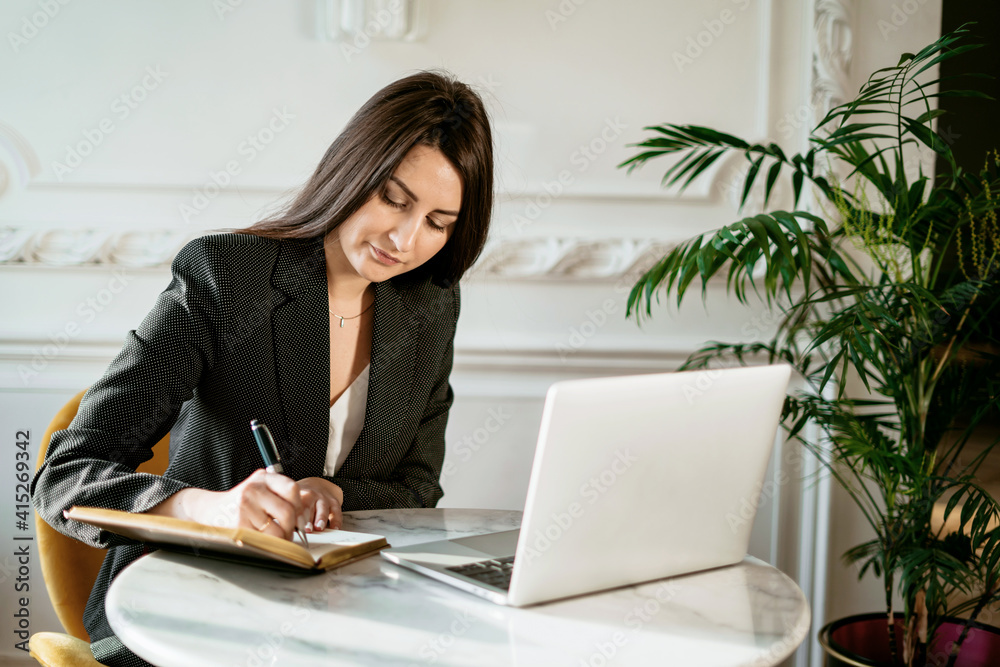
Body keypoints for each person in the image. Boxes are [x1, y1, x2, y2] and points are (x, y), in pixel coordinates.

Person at [31, 69, 494, 667]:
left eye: (437, 222)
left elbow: (416, 487)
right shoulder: (227, 276)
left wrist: (334, 494)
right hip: (186, 609)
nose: (405, 240)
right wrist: (209, 509)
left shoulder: (429, 305)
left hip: (344, 614)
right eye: (394, 200)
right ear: (352, 171)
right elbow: (64, 476)